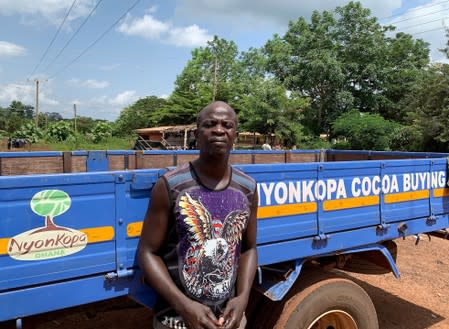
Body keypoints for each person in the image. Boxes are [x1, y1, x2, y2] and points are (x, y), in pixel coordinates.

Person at [138, 101, 258, 329]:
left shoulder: (248, 187)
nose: (219, 130)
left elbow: (249, 248)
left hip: (228, 321)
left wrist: (243, 298)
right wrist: (184, 306)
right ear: (197, 134)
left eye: (227, 125)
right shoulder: (171, 185)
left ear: (235, 134)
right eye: (210, 124)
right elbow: (147, 252)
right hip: (176, 321)